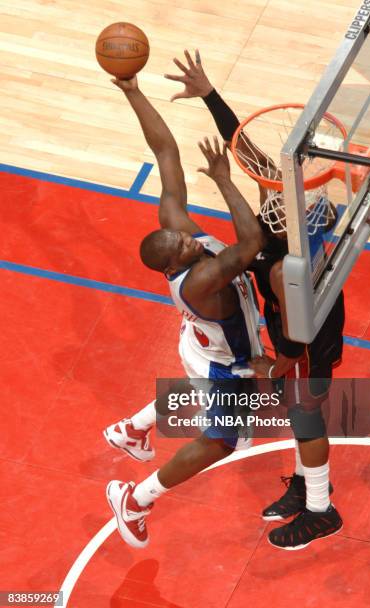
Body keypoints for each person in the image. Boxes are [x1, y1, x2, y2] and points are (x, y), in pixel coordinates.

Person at [163, 49, 344, 550]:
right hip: (301, 322)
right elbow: (247, 154)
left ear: (292, 226)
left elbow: (293, 330)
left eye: (281, 200)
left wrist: (281, 364)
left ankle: (321, 510)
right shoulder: (287, 218)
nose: (273, 195)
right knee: (298, 414)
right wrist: (209, 95)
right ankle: (309, 487)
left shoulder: (287, 263)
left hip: (306, 337)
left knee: (306, 415)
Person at [104, 73, 265, 548]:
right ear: (173, 262)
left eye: (181, 233)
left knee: (207, 392)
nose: (189, 236)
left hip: (200, 343)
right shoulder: (199, 277)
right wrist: (224, 182)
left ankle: (133, 430)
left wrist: (134, 92)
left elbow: (166, 152)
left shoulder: (179, 237)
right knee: (222, 441)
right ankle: (136, 499)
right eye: (181, 242)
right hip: (222, 363)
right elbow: (250, 243)